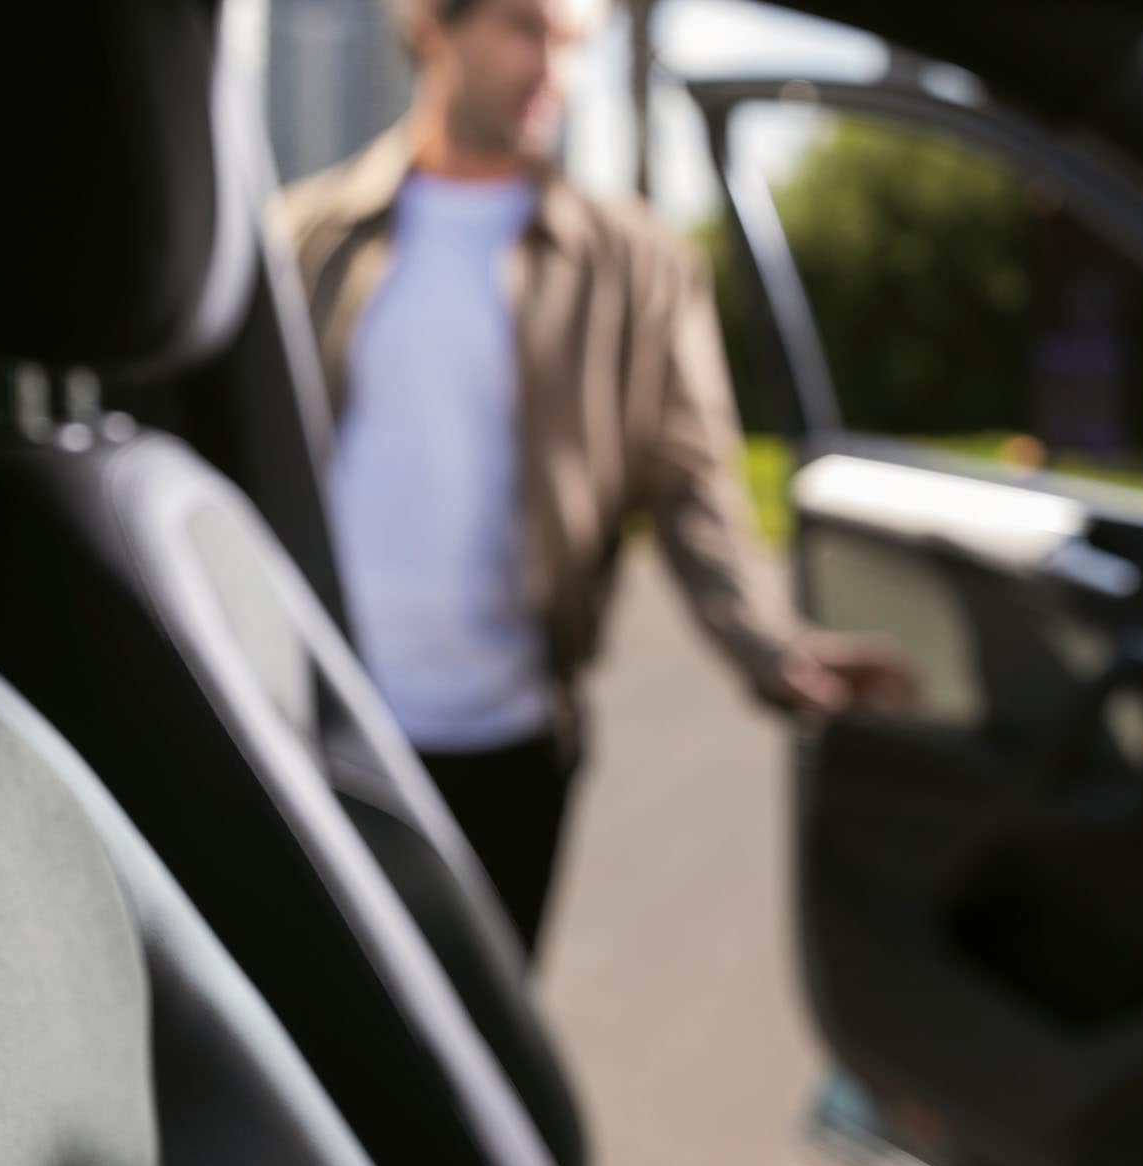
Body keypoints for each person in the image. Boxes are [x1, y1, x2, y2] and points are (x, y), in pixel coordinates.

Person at [277, 0, 910, 955]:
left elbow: (693, 484)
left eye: (572, 44)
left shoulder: (637, 263)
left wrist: (770, 648)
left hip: (511, 746)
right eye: (526, 30)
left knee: (475, 1060)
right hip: (313, 731)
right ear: (434, 28)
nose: (553, 72)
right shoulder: (305, 235)